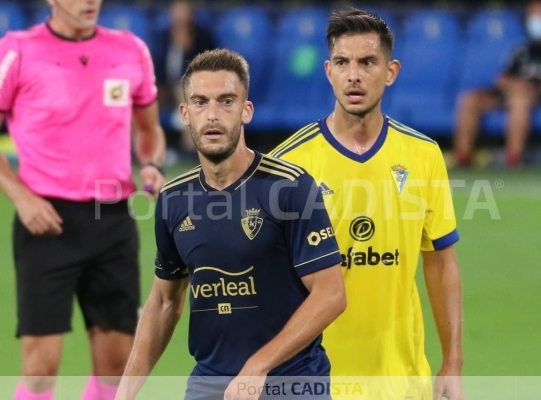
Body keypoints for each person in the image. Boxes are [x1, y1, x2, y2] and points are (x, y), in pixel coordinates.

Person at [115, 49, 347, 400]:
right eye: (200, 102)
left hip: (293, 384)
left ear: (246, 111)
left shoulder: (290, 187)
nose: (212, 115)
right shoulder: (174, 199)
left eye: (226, 101)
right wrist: (124, 393)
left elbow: (331, 295)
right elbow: (164, 302)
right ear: (184, 114)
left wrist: (259, 365)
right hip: (210, 386)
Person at [270, 9, 464, 399]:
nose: (353, 75)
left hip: (402, 381)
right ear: (328, 71)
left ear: (391, 71)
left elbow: (441, 262)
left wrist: (452, 363)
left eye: (367, 62)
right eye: (342, 62)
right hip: (313, 382)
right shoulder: (288, 165)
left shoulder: (423, 155)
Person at [0, 0, 167, 399]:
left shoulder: (130, 50)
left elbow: (149, 129)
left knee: (116, 365)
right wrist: (22, 198)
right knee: (40, 368)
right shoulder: (18, 49)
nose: (90, 2)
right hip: (46, 222)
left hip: (112, 222)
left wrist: (152, 163)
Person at [454, 0, 541, 167]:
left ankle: (513, 159)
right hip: (511, 92)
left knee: (519, 99)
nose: (538, 20)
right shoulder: (520, 48)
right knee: (469, 99)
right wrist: (515, 85)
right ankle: (463, 158)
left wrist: (536, 89)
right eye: (534, 15)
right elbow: (501, 78)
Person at [153, 0, 217, 159]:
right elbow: (156, 67)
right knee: (137, 100)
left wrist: (188, 50)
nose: (180, 19)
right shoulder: (164, 37)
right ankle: (146, 154)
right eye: (176, 14)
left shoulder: (202, 37)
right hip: (164, 89)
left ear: (191, 16)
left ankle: (189, 154)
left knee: (189, 98)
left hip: (195, 89)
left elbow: (213, 67)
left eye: (183, 14)